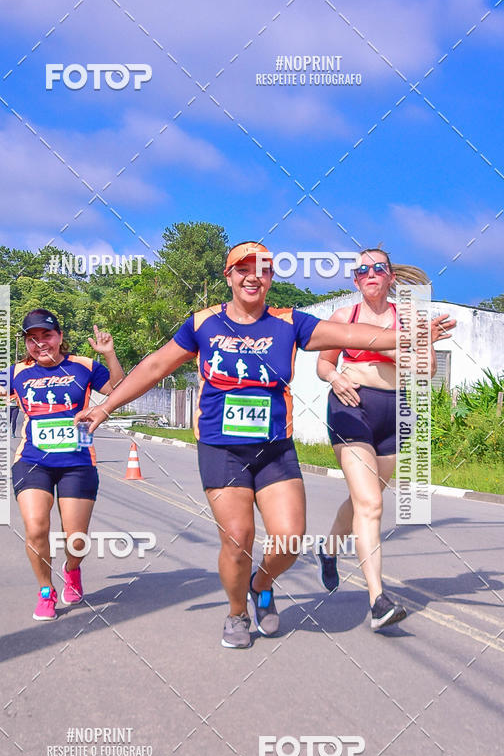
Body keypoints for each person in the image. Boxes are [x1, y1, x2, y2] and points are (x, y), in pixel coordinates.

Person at [75, 241, 454, 648]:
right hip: (222, 449)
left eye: (263, 269)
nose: (253, 276)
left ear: (272, 277)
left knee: (290, 539)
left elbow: (349, 333)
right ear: (229, 275)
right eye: (243, 268)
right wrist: (106, 406)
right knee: (238, 539)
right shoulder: (204, 323)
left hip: (274, 449)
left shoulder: (290, 322)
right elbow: (153, 366)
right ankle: (237, 613)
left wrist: (408, 335)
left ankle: (262, 583)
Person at [316, 247, 452, 629]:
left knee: (363, 500)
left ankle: (328, 548)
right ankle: (377, 600)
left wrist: (418, 340)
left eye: (379, 268)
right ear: (356, 280)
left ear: (391, 277)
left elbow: (424, 371)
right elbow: (324, 364)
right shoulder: (345, 317)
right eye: (362, 270)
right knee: (372, 504)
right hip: (351, 407)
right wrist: (336, 377)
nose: (370, 273)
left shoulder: (408, 319)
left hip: (395, 413)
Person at [0, 310, 125, 622]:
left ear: (60, 337)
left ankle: (72, 570)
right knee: (37, 527)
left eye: (46, 336)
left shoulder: (84, 366)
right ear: (26, 343)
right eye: (32, 338)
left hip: (77, 462)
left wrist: (109, 354)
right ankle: (45, 590)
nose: (40, 344)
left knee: (75, 538)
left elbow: (118, 390)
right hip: (32, 460)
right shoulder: (18, 372)